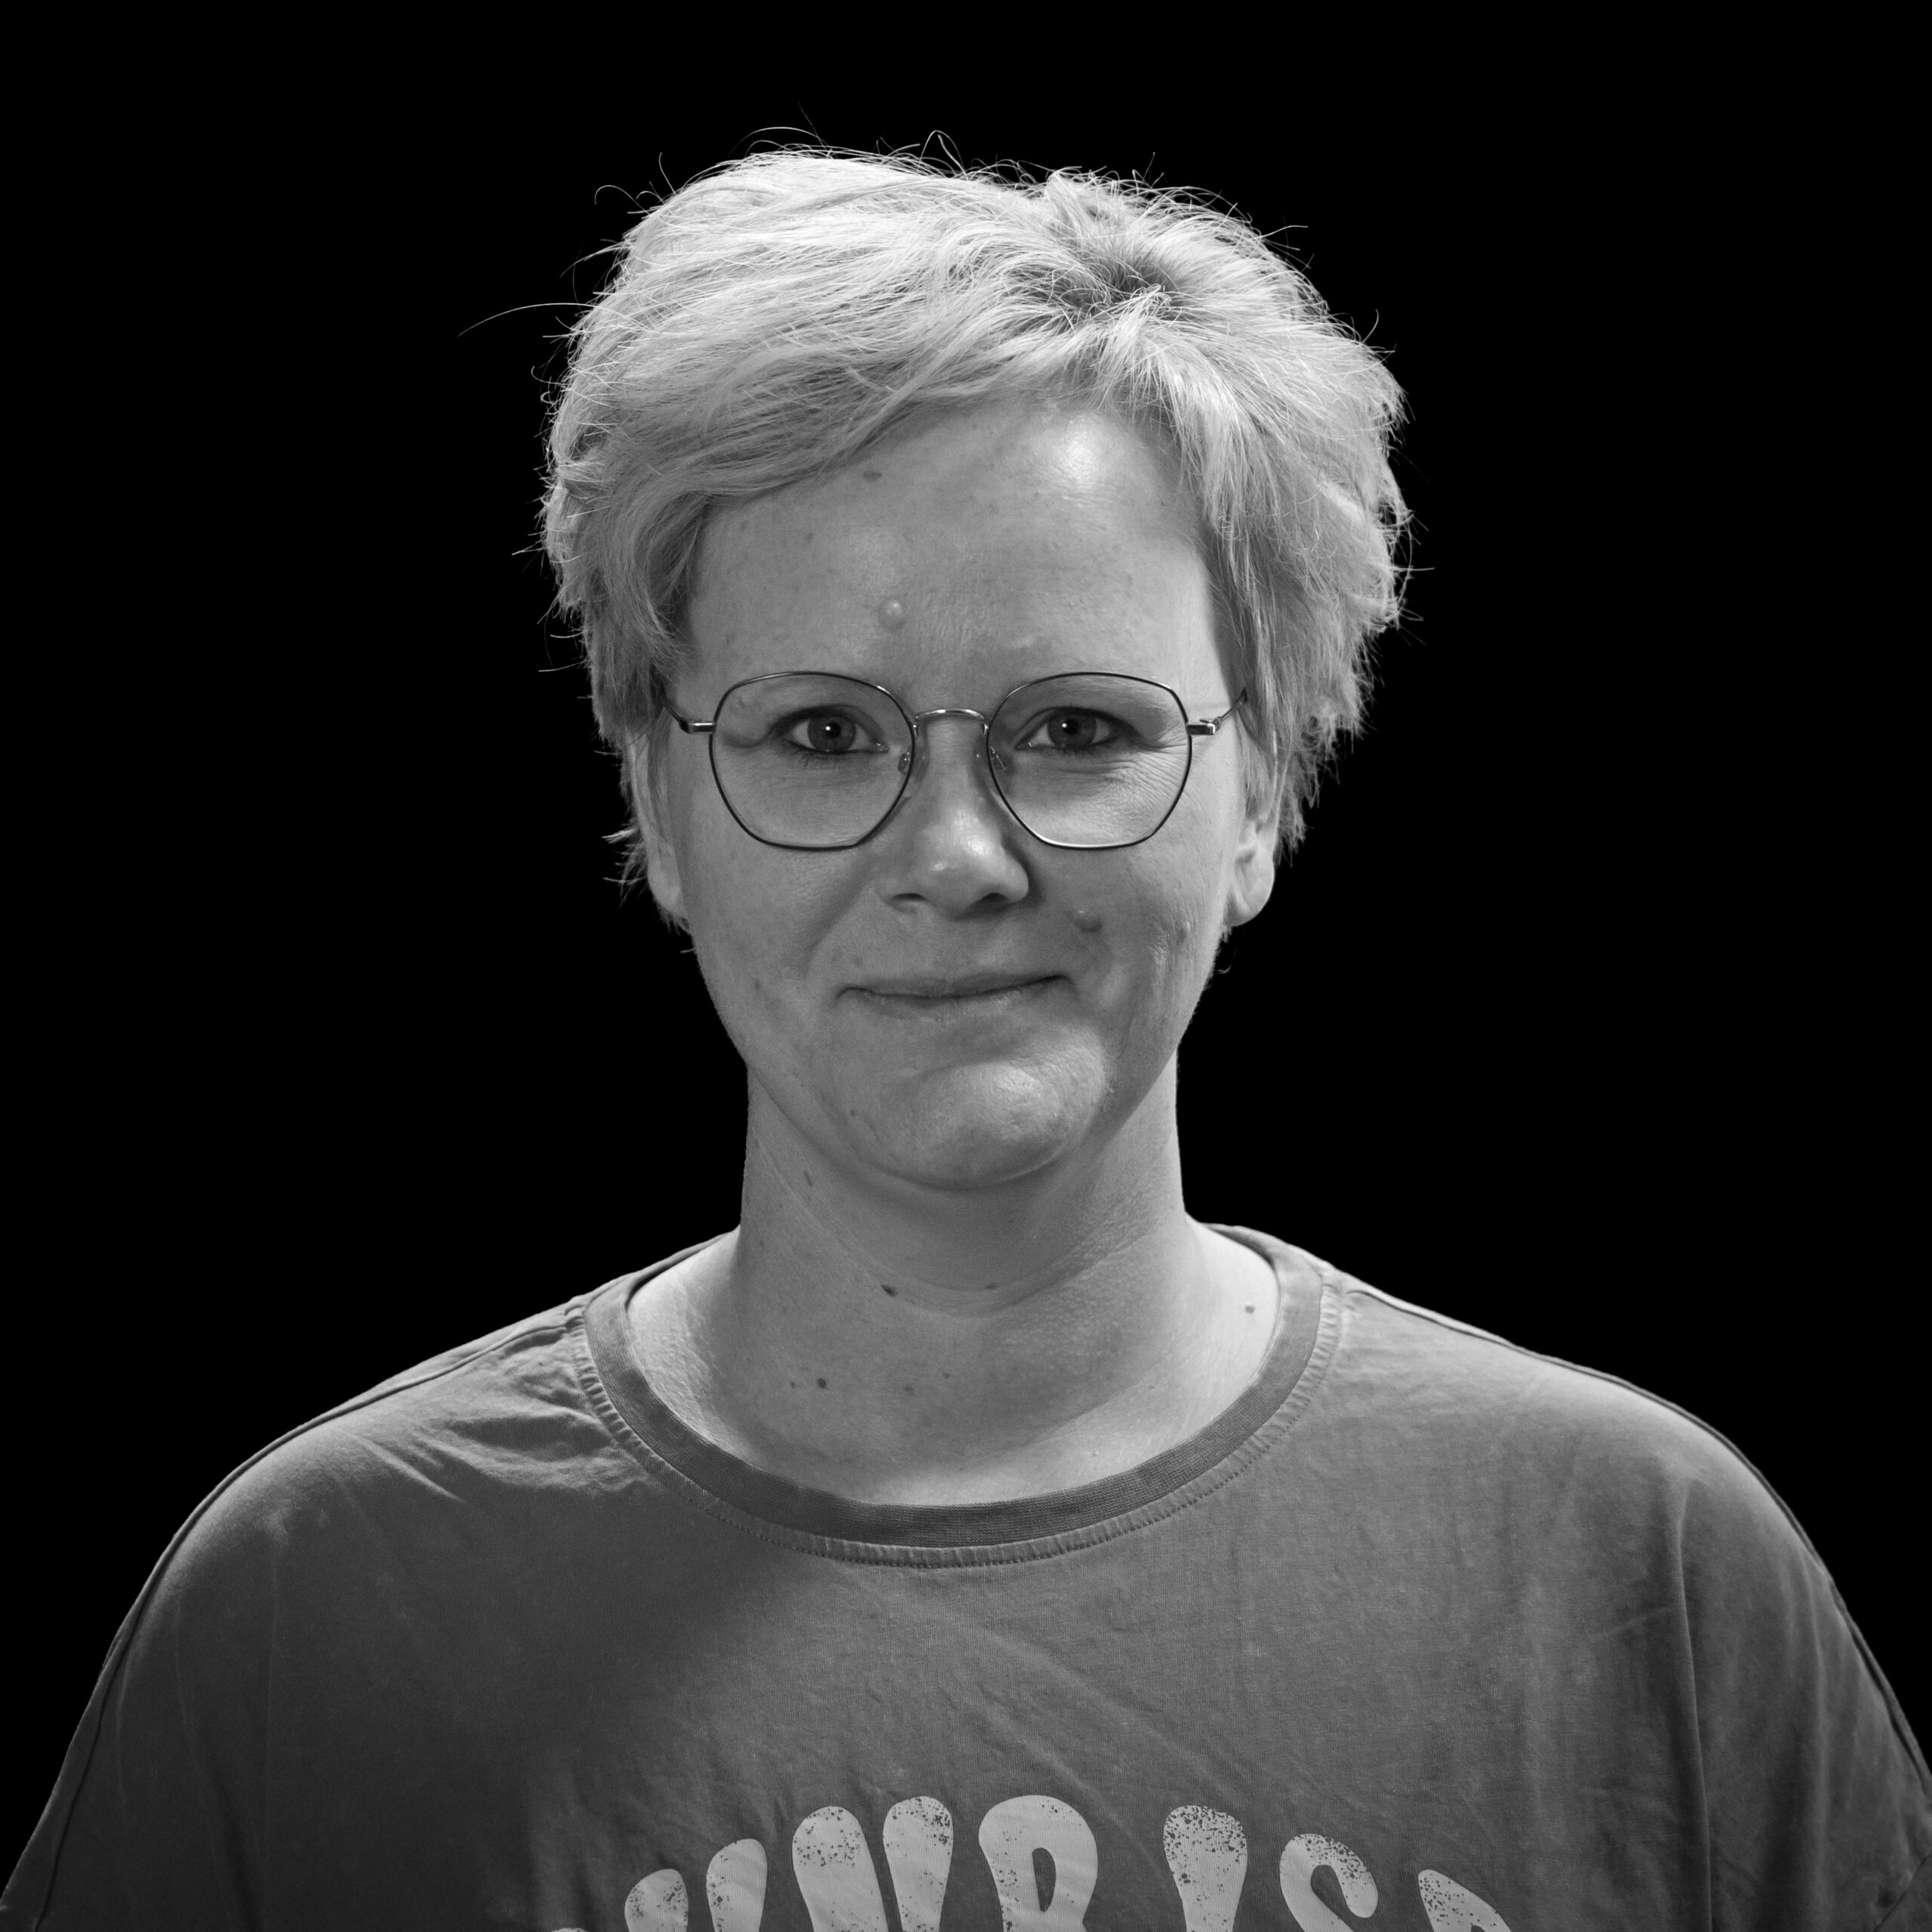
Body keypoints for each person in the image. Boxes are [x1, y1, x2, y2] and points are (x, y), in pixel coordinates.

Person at [7, 151, 1927, 1932]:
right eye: (819, 732)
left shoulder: (1646, 1576)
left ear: (1261, 789)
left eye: (1077, 729)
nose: (952, 856)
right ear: (657, 805)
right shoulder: (318, 1607)